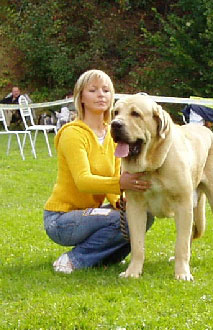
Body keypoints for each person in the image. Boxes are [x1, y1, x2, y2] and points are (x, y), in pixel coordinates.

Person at [43, 69, 153, 274]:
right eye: (93, 90)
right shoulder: (73, 134)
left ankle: (105, 260)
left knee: (142, 213)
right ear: (81, 97)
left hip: (90, 213)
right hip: (60, 219)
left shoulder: (112, 132)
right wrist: (121, 183)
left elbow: (112, 178)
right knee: (122, 220)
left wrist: (121, 201)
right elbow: (83, 181)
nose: (101, 95)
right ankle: (74, 260)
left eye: (106, 90)